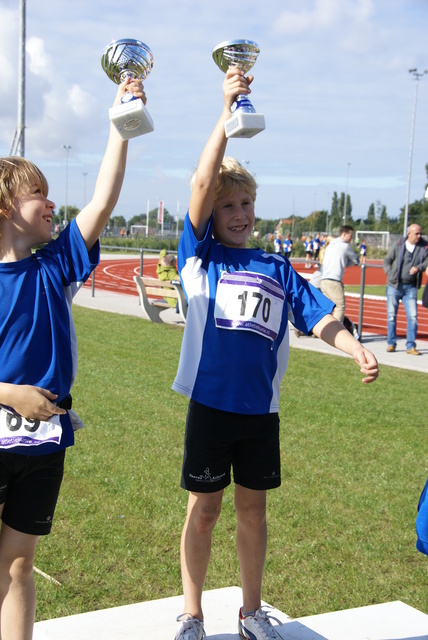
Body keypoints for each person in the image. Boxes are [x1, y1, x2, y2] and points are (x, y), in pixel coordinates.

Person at [171, 67, 379, 640]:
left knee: (252, 512)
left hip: (259, 415)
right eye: (228, 205)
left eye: (246, 204)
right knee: (203, 511)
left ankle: (251, 613)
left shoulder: (276, 267)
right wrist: (226, 114)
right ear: (211, 216)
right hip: (210, 408)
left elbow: (318, 317)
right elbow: (200, 181)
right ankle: (191, 614)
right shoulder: (201, 257)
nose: (239, 214)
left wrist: (353, 346)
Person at [0, 76, 146, 639]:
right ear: (8, 207)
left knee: (16, 565)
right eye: (38, 194)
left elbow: (103, 198)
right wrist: (10, 394)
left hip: (41, 445)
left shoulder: (54, 265)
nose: (52, 201)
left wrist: (121, 124)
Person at [383, 223, 428, 355]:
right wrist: (390, 273)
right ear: (409, 233)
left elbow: (427, 261)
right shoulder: (398, 245)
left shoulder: (424, 246)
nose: (419, 236)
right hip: (394, 285)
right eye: (416, 234)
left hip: (411, 287)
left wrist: (419, 267)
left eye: (420, 233)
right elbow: (387, 261)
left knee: (413, 316)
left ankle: (411, 346)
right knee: (391, 316)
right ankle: (391, 343)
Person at [320, 225, 359, 324]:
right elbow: (356, 259)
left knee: (326, 308)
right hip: (334, 279)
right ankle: (335, 332)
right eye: (351, 235)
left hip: (324, 279)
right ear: (344, 234)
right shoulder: (345, 246)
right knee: (340, 306)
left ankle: (320, 328)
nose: (351, 238)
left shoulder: (330, 246)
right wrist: (348, 263)